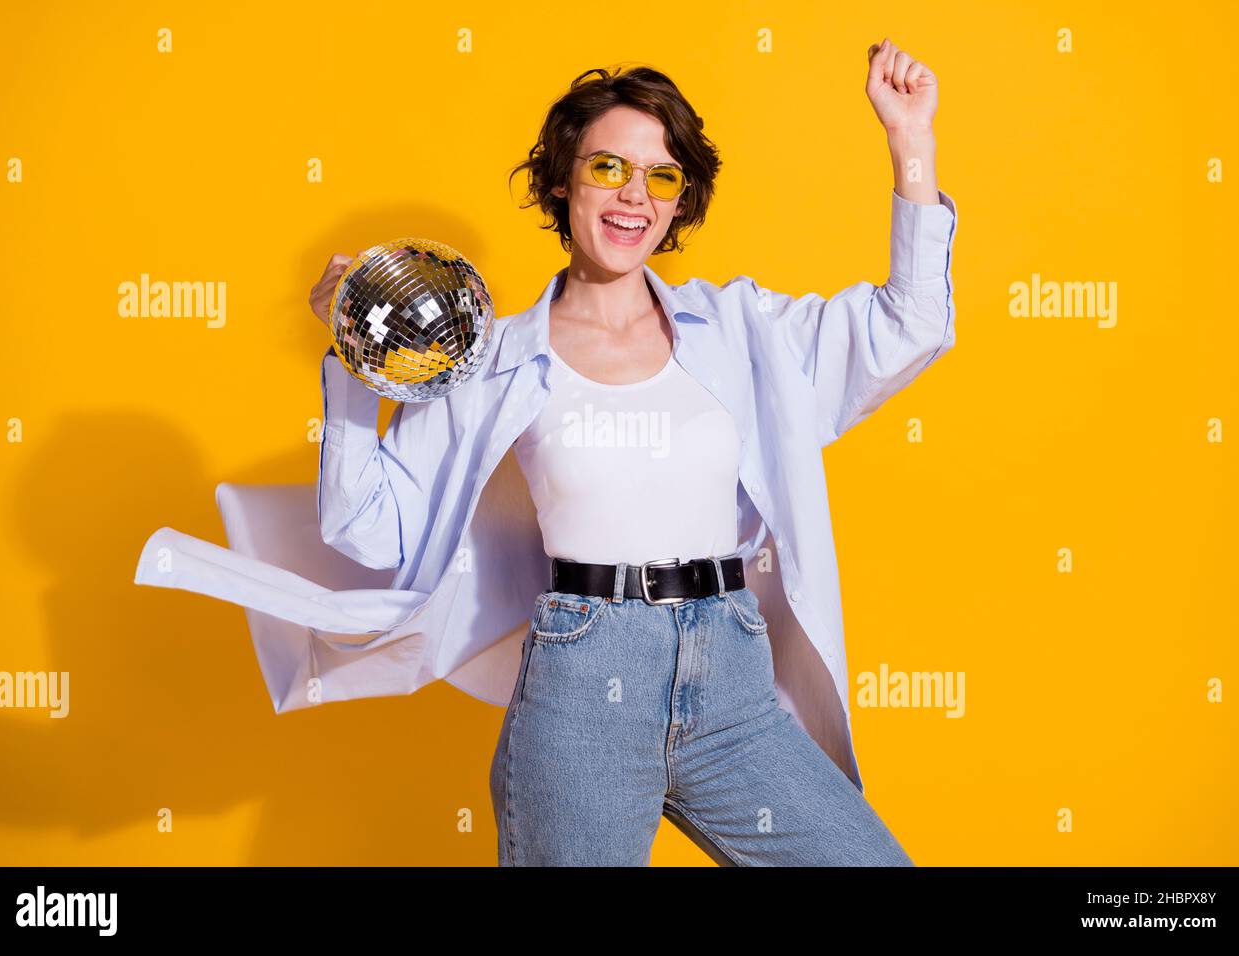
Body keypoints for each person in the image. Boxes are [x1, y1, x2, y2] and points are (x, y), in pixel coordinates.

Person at [301, 43, 951, 866]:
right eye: (608, 167)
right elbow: (366, 526)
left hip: (732, 686)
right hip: (583, 690)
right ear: (562, 182)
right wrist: (354, 361)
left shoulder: (742, 330)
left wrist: (910, 142)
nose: (634, 195)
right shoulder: (492, 359)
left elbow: (910, 327)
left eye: (662, 176)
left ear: (681, 203)